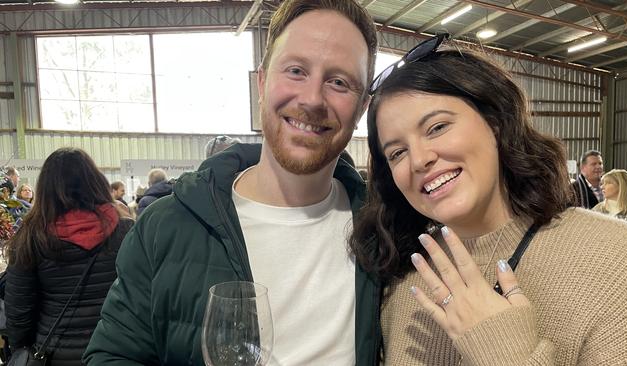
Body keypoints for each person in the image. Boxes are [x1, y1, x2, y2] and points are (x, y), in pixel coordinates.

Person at [84, 1, 381, 365]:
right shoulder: (166, 227)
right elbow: (111, 356)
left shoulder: (382, 229)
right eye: (296, 70)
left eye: (339, 82)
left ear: (363, 107)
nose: (312, 99)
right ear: (262, 81)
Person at [350, 36, 627, 365]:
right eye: (397, 153)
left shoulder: (622, 261)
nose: (419, 159)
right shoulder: (404, 274)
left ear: (495, 122)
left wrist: (504, 352)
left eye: (437, 127)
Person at [4, 147, 133, 365]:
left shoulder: (31, 237)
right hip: (118, 351)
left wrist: (21, 351)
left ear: (45, 188)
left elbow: (19, 311)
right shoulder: (126, 230)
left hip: (55, 353)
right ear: (96, 182)